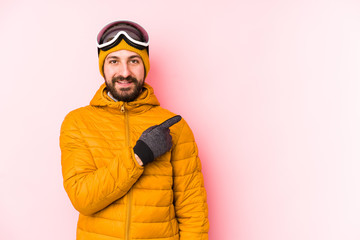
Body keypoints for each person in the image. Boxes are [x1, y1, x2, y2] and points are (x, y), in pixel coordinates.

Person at [59, 20, 209, 240]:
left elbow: (192, 210)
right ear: (103, 66)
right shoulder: (78, 123)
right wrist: (139, 155)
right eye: (114, 61)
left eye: (134, 61)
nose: (125, 72)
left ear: (145, 66)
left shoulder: (174, 126)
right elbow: (83, 198)